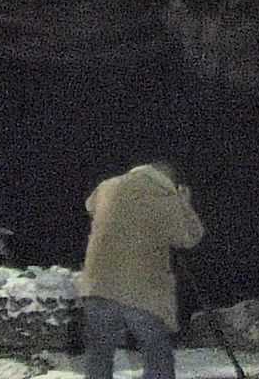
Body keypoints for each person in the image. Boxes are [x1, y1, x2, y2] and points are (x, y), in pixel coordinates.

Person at [76, 159, 204, 379]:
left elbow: (90, 205)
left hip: (98, 286)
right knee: (157, 355)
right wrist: (183, 202)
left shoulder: (108, 186)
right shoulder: (165, 197)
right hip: (141, 292)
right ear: (168, 180)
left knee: (99, 355)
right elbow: (189, 237)